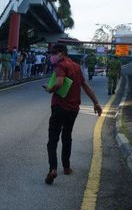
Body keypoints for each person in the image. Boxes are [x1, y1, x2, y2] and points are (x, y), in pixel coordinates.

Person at [44, 44, 102, 185]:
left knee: (53, 139)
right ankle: (67, 167)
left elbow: (59, 83)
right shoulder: (76, 66)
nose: (52, 56)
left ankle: (53, 169)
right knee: (67, 136)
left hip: (59, 107)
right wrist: (96, 103)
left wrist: (50, 89)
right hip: (74, 108)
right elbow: (85, 85)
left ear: (62, 53)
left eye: (54, 53)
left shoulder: (61, 65)